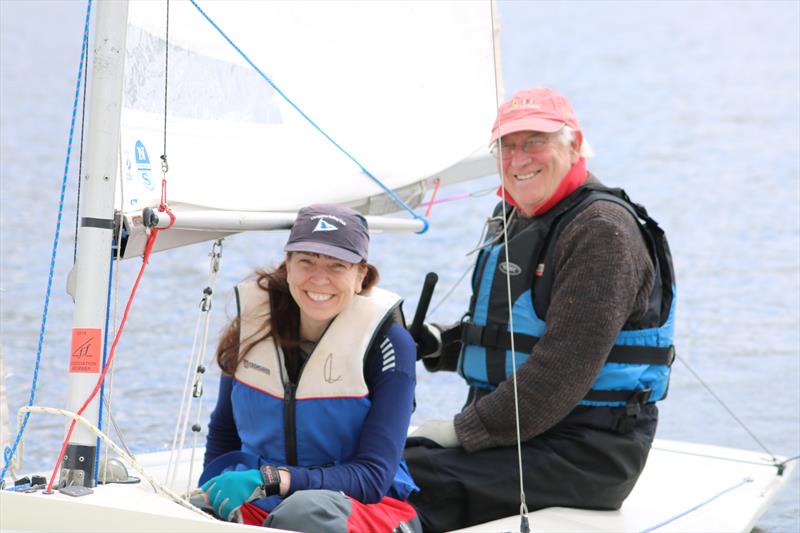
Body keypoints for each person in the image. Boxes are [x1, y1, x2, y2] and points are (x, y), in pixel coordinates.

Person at [404, 87, 676, 532]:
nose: (518, 159)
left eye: (535, 142)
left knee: (404, 478)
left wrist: (460, 430)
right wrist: (442, 344)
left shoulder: (602, 231)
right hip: (519, 435)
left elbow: (562, 370)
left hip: (584, 452)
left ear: (574, 144)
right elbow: (516, 336)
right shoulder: (516, 215)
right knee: (371, 462)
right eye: (506, 147)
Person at [199, 204, 421, 532]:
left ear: (360, 276)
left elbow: (373, 477)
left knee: (304, 513)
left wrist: (275, 480)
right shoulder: (252, 328)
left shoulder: (390, 345)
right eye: (307, 261)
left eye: (337, 265)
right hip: (267, 499)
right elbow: (224, 434)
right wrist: (211, 494)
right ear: (287, 266)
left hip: (366, 508)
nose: (320, 278)